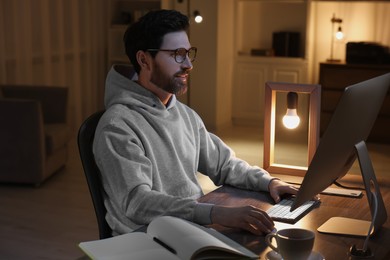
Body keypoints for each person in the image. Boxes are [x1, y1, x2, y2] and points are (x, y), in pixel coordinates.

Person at [93, 9, 298, 236]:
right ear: (144, 59)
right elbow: (137, 203)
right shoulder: (117, 125)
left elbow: (224, 165)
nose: (188, 64)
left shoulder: (184, 114)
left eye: (189, 53)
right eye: (177, 54)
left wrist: (269, 182)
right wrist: (216, 213)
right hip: (147, 241)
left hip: (190, 229)